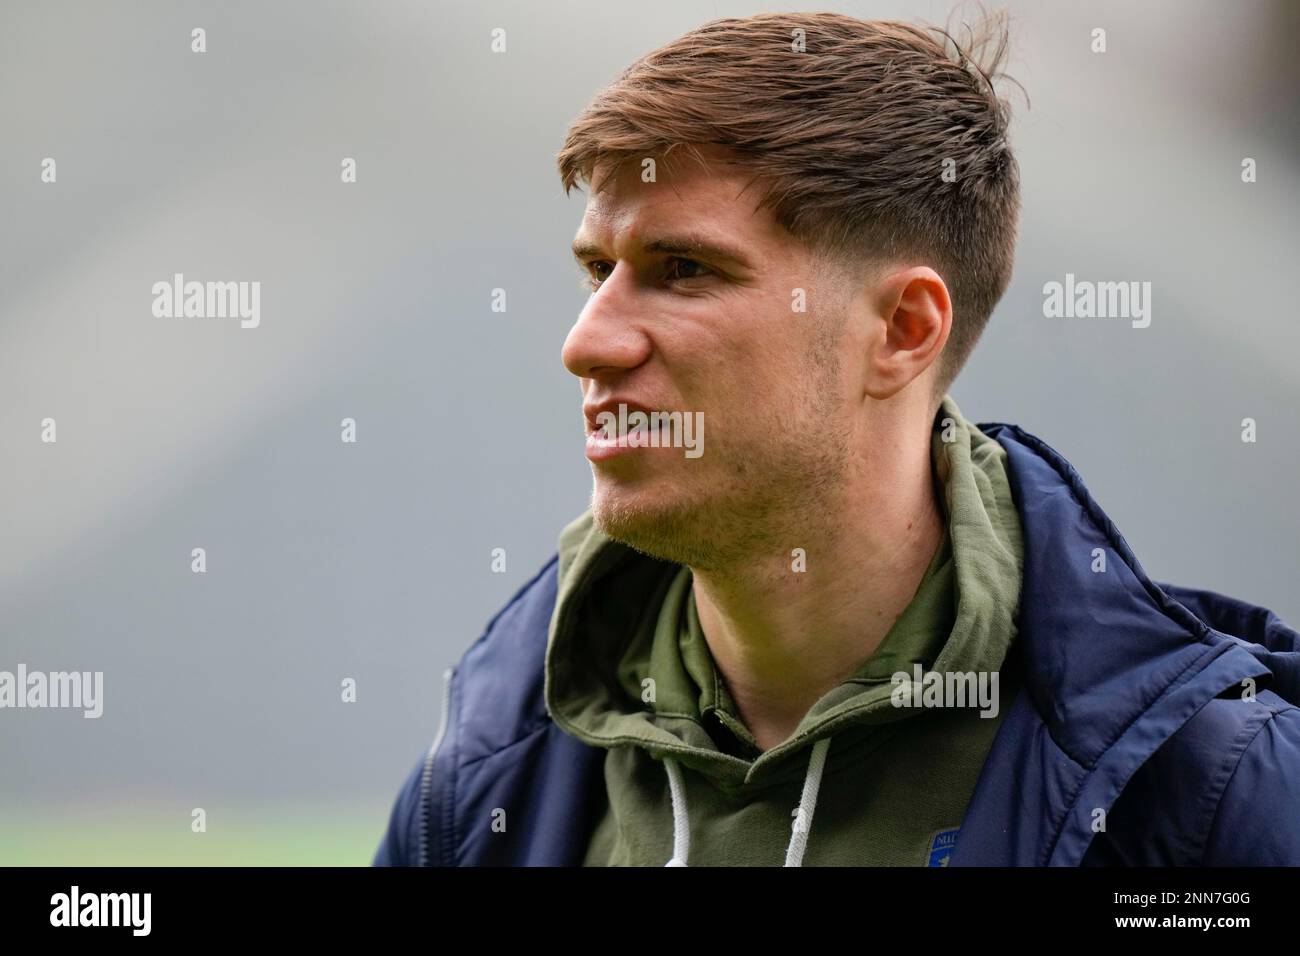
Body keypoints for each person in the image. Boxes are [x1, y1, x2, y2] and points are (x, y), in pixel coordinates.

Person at [373, 10, 1300, 867]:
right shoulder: (479, 786)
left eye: (683, 269)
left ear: (902, 331)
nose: (587, 344)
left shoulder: (1202, 794)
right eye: (597, 271)